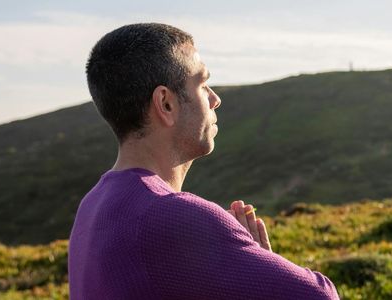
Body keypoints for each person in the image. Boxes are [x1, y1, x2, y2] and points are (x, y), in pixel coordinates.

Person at [68, 23, 339, 299]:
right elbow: (320, 296)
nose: (215, 99)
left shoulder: (91, 208)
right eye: (202, 83)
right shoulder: (171, 215)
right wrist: (259, 261)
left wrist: (256, 269)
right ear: (166, 104)